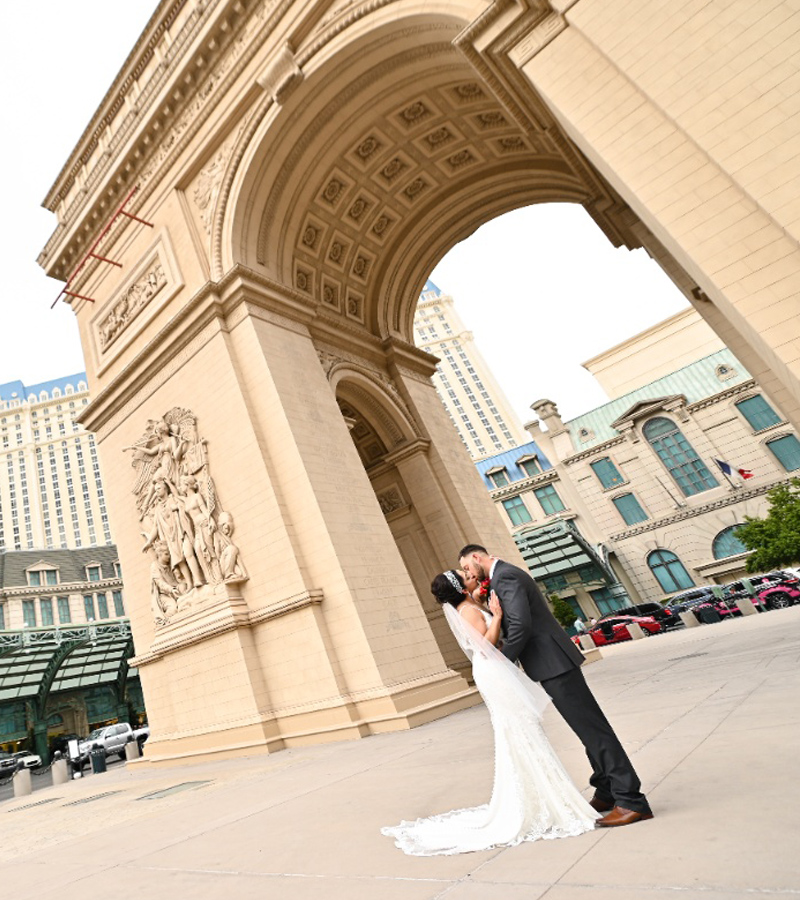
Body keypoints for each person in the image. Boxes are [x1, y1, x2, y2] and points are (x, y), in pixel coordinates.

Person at [381, 570, 599, 855]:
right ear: (460, 587)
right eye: (464, 575)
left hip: (492, 671)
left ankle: (542, 795)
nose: (470, 575)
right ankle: (544, 799)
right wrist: (495, 616)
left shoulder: (469, 607)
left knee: (521, 727)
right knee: (521, 727)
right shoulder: (469, 610)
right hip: (492, 668)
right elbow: (486, 647)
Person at [459, 544, 653, 828]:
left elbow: (521, 625)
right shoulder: (501, 577)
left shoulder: (506, 577)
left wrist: (502, 661)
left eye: (466, 567)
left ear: (476, 557)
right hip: (550, 663)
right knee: (585, 730)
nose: (468, 573)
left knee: (594, 731)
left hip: (554, 662)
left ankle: (632, 800)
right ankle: (607, 789)